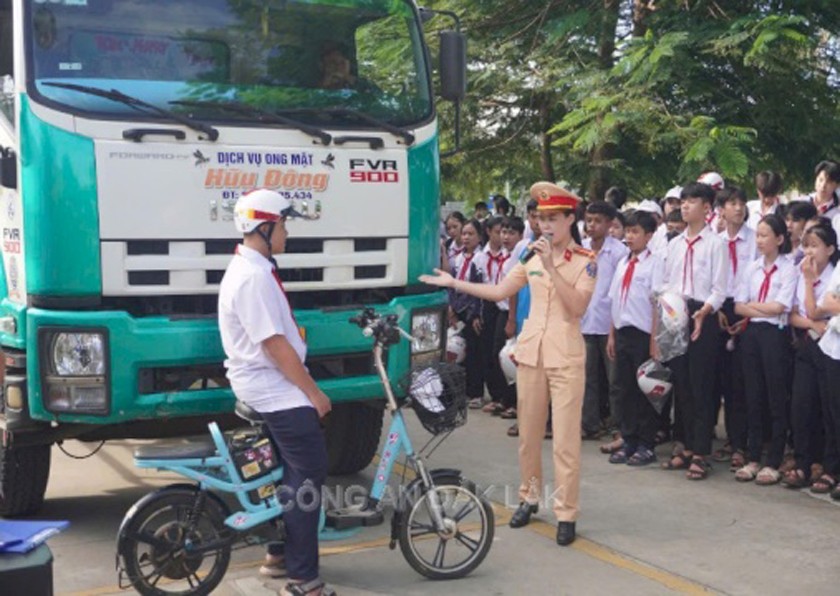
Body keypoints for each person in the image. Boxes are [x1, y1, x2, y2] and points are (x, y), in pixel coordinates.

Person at [420, 181, 596, 546]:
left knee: (564, 442)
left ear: (570, 219)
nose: (545, 226)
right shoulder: (529, 257)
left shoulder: (584, 262)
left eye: (553, 219)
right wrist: (455, 282)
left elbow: (577, 306)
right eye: (541, 218)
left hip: (565, 358)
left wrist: (552, 265)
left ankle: (566, 512)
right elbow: (500, 291)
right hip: (531, 355)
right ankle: (529, 497)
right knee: (528, 437)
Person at [217, 188, 334, 596]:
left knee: (283, 473)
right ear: (264, 227)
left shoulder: (256, 269)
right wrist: (314, 393)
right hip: (274, 388)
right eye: (283, 224)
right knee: (308, 471)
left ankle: (279, 552)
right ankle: (303, 578)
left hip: (267, 384)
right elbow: (275, 346)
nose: (287, 232)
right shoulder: (251, 278)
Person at [657, 182, 727, 481]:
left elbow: (720, 289)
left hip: (703, 316)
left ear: (707, 207)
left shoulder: (716, 244)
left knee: (701, 385)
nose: (684, 206)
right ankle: (682, 444)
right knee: (681, 382)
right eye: (682, 201)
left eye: (692, 201)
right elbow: (666, 282)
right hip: (676, 314)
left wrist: (705, 311)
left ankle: (701, 452)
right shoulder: (673, 244)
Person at [733, 214, 796, 485]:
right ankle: (754, 455)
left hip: (775, 335)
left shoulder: (789, 269)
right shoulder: (751, 268)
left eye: (765, 235)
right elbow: (738, 305)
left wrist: (754, 306)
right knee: (753, 395)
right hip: (752, 333)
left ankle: (774, 460)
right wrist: (761, 307)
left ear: (779, 239)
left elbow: (780, 307)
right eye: (757, 235)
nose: (759, 240)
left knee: (775, 396)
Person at [605, 210, 663, 466]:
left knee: (645, 390)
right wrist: (611, 335)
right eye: (627, 231)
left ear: (649, 236)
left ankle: (646, 443)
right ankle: (628, 439)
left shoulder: (655, 263)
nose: (629, 236)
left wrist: (654, 339)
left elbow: (657, 304)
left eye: (635, 231)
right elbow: (614, 300)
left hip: (643, 334)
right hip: (622, 331)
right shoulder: (623, 263)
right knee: (623, 388)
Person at [785, 221, 838, 488]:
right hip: (806, 343)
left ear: (830, 249)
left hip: (830, 347)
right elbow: (795, 315)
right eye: (806, 246)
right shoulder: (800, 271)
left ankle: (830, 467)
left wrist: (808, 281)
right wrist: (811, 324)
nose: (809, 252)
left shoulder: (832, 276)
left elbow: (816, 309)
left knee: (829, 409)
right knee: (801, 405)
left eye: (815, 246)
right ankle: (803, 462)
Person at [581, 201, 628, 444]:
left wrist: (614, 328)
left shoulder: (619, 252)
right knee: (586, 377)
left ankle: (619, 425)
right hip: (585, 320)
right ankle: (590, 423)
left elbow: (619, 291)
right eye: (589, 220)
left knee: (614, 380)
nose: (592, 226)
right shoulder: (580, 248)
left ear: (610, 224)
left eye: (598, 221)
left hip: (609, 322)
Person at [448, 219, 488, 409]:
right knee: (458, 351)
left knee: (474, 353)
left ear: (479, 237)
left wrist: (476, 315)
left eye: (470, 234)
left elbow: (479, 287)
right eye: (464, 233)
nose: (466, 238)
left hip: (472, 310)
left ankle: (476, 392)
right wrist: (451, 309)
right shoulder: (458, 258)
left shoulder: (481, 258)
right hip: (458, 309)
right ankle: (460, 391)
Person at [784, 201, 818, 266]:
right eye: (787, 220)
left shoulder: (813, 253)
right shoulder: (778, 248)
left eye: (795, 220)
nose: (789, 225)